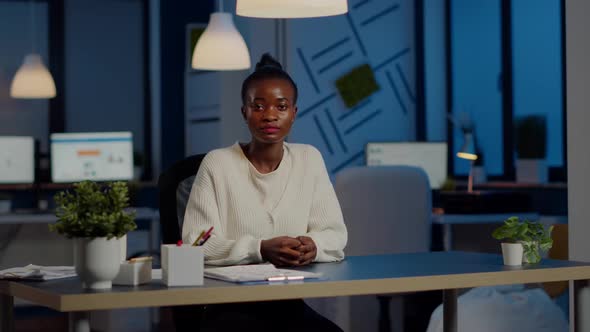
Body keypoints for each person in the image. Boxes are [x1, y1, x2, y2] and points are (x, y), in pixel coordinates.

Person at [182, 53, 348, 332]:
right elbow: (195, 245)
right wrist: (259, 248)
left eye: (281, 106)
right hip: (229, 310)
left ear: (294, 113)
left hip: (289, 307)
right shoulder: (217, 163)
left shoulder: (310, 159)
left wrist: (313, 245)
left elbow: (335, 234)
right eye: (258, 106)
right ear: (244, 112)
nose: (270, 115)